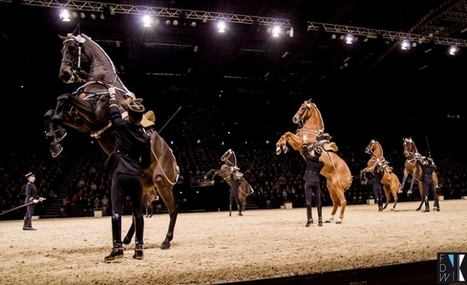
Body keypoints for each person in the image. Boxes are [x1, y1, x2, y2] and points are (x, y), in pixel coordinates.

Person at [103, 88, 152, 262]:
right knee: (137, 213)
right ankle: (139, 248)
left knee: (116, 211)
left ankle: (117, 248)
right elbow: (146, 163)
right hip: (136, 175)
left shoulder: (122, 127)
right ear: (141, 118)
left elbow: (114, 112)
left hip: (121, 172)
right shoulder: (145, 138)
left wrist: (111, 96)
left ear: (129, 116)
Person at [302, 143, 325, 227]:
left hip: (308, 182)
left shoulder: (309, 159)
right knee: (318, 202)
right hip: (316, 183)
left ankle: (310, 219)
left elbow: (305, 152)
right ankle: (320, 219)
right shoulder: (321, 164)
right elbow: (315, 158)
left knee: (308, 202)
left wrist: (305, 144)